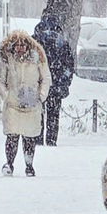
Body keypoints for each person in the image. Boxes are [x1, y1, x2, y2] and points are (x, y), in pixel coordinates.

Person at [0, 27, 50, 176]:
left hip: (32, 104)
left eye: (23, 45)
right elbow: (0, 80)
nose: (20, 48)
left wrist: (40, 97)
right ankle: (9, 163)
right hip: (13, 104)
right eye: (17, 45)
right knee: (12, 135)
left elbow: (45, 79)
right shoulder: (7, 60)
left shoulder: (38, 60)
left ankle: (29, 164)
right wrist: (7, 96)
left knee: (29, 136)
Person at [33, 12, 77, 145]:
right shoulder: (61, 43)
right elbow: (68, 65)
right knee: (53, 115)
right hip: (55, 83)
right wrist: (64, 81)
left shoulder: (35, 41)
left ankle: (37, 139)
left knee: (38, 113)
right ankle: (51, 140)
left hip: (38, 84)